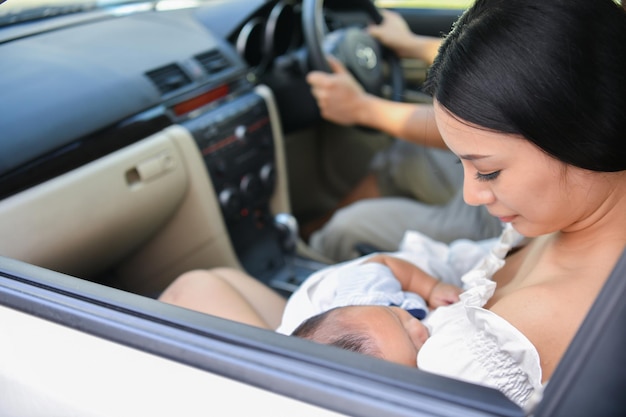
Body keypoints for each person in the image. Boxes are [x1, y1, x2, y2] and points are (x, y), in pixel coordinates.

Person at [160, 0, 626, 409]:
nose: (471, 194)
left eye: (488, 170)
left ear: (581, 135)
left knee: (191, 290)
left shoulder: (503, 344)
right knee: (213, 281)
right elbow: (462, 272)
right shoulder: (569, 227)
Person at [304, 9, 503, 262]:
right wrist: (412, 44)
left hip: (499, 221)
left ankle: (315, 247)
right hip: (495, 176)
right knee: (408, 154)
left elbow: (483, 131)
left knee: (344, 229)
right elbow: (497, 68)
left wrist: (361, 108)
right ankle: (311, 229)